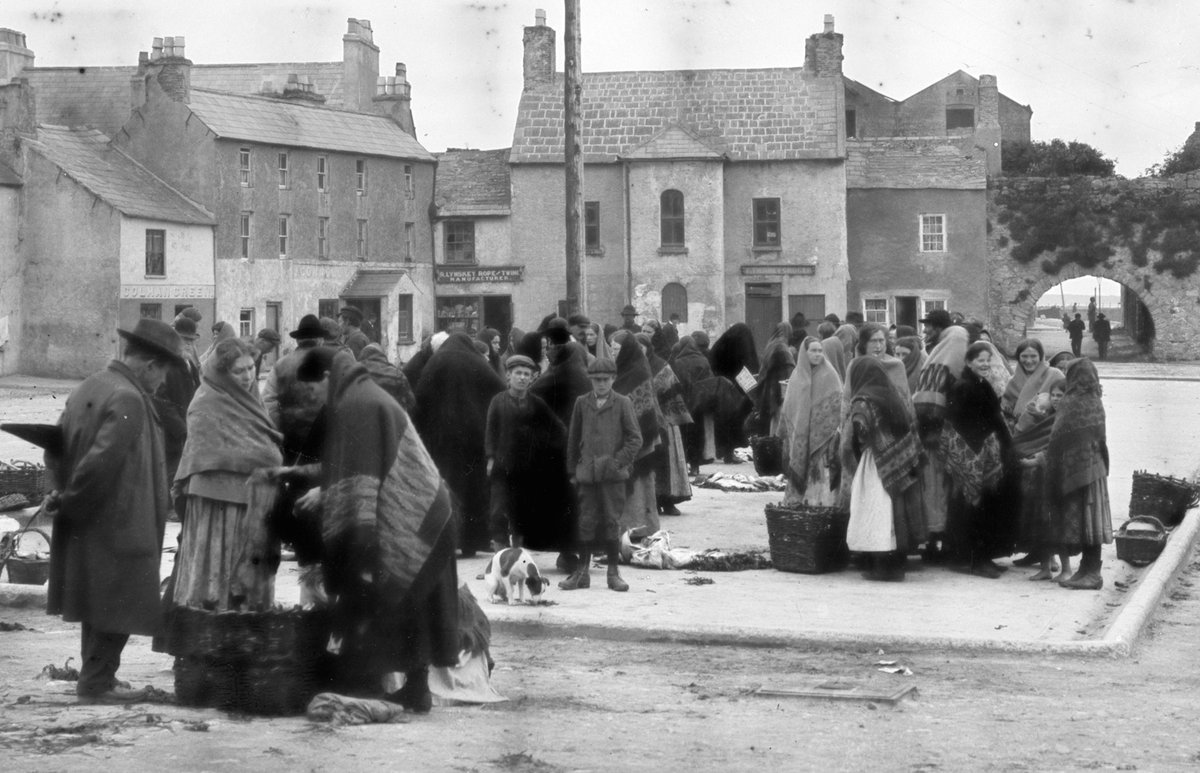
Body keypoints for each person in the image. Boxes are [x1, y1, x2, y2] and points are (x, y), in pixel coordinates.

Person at [281, 347, 460, 711]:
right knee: (413, 599)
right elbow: (356, 467)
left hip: (415, 515)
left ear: (329, 377)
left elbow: (361, 481)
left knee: (391, 593)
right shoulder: (357, 394)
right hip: (427, 513)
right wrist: (312, 481)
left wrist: (351, 545)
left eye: (313, 391)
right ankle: (414, 686)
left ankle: (389, 683)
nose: (312, 400)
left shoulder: (355, 404)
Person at [44, 318, 182, 703]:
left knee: (97, 600)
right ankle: (96, 683)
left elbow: (54, 446)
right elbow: (100, 462)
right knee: (118, 603)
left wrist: (61, 494)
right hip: (122, 524)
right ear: (151, 365)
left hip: (93, 522)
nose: (163, 382)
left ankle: (97, 677)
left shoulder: (92, 385)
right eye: (164, 372)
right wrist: (72, 499)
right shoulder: (129, 398)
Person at [169, 338, 283, 613]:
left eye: (250, 369)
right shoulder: (205, 403)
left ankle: (246, 638)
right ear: (222, 373)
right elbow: (205, 452)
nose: (246, 377)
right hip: (215, 504)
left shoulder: (253, 400)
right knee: (216, 577)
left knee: (246, 583)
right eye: (238, 371)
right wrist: (265, 459)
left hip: (252, 503)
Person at [413, 332, 506, 557]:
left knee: (447, 488)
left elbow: (420, 398)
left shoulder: (436, 361)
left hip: (442, 440)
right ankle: (472, 542)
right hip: (474, 439)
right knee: (474, 489)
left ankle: (447, 540)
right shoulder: (476, 361)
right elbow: (499, 389)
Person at [561, 357, 642, 592]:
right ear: (590, 380)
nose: (601, 384)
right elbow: (573, 438)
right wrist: (572, 470)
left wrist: (618, 463)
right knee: (585, 521)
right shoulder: (581, 403)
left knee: (611, 522)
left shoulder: (623, 403)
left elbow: (635, 439)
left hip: (612, 477)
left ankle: (613, 573)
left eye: (605, 379)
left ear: (614, 379)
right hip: (587, 475)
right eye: (596, 380)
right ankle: (581, 573)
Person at [840, 357, 923, 581]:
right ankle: (897, 565)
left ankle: (882, 567)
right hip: (899, 462)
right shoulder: (892, 394)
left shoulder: (862, 400)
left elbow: (860, 430)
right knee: (895, 515)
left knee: (876, 514)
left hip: (875, 463)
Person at [485, 354, 571, 552]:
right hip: (502, 466)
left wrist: (546, 451)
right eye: (518, 373)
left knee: (521, 513)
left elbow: (558, 429)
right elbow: (491, 431)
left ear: (532, 378)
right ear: (508, 376)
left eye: (526, 374)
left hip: (528, 468)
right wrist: (490, 458)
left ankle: (518, 555)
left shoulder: (537, 404)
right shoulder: (498, 401)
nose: (522, 378)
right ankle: (499, 557)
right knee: (498, 511)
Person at [943, 341, 1015, 578]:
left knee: (984, 508)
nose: (985, 365)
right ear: (969, 363)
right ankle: (974, 560)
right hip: (973, 455)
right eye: (980, 361)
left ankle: (981, 558)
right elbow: (960, 423)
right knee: (974, 509)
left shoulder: (982, 384)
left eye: (988, 360)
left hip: (984, 453)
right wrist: (981, 449)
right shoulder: (964, 386)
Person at [1046, 358, 1113, 590]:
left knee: (1088, 518)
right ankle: (1087, 568)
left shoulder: (1072, 401)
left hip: (1080, 471)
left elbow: (1059, 436)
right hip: (1094, 468)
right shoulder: (1095, 399)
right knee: (1091, 519)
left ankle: (1092, 573)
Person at [912, 323, 969, 552]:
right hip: (939, 441)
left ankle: (935, 544)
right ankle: (941, 543)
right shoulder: (953, 368)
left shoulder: (931, 363)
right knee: (942, 493)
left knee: (935, 493)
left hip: (930, 440)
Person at [1011, 373, 1071, 581]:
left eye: (1061, 395)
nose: (1056, 399)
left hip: (1056, 480)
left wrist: (1038, 460)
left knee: (1056, 525)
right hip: (1036, 480)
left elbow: (1061, 448)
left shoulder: (1067, 419)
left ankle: (1066, 569)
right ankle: (1045, 567)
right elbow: (1026, 437)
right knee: (1039, 523)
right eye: (1054, 394)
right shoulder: (1044, 418)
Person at [778, 337, 842, 508]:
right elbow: (789, 409)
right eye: (813, 351)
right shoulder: (796, 377)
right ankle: (802, 508)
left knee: (821, 482)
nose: (817, 354)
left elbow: (837, 406)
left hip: (823, 443)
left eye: (820, 351)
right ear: (804, 353)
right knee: (803, 479)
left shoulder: (830, 374)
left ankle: (820, 511)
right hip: (799, 439)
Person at [262, 314, 335, 465]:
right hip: (328, 438)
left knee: (294, 481)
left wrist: (281, 428)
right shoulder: (334, 361)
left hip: (292, 438)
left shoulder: (281, 364)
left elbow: (268, 401)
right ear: (320, 339)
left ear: (298, 340)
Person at [610, 330, 662, 538]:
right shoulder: (621, 371)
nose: (613, 353)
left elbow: (642, 408)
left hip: (640, 436)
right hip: (629, 437)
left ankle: (641, 528)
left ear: (626, 350)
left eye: (616, 349)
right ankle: (629, 528)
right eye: (611, 349)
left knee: (640, 484)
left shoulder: (638, 372)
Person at [636, 332, 693, 516]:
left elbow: (673, 390)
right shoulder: (631, 368)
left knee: (666, 462)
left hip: (664, 421)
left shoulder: (661, 366)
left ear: (648, 348)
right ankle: (651, 502)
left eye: (642, 348)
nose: (639, 351)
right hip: (640, 424)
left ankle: (669, 501)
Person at [157, 315, 203, 484]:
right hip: (172, 434)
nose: (189, 345)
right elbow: (160, 400)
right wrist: (181, 428)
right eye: (184, 340)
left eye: (192, 341)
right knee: (171, 475)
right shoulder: (166, 364)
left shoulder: (188, 363)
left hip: (188, 429)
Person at [708, 323, 759, 463]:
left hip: (719, 391)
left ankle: (722, 450)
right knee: (734, 422)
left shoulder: (719, 346)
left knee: (721, 422)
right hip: (735, 392)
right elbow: (748, 368)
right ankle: (729, 454)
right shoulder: (742, 347)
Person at [669, 335, 715, 474]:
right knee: (698, 433)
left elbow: (675, 383)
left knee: (684, 435)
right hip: (699, 404)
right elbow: (710, 380)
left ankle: (684, 465)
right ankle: (695, 466)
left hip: (683, 403)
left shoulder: (678, 362)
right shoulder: (704, 360)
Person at [1001, 339, 1064, 430]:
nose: (1029, 361)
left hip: (1047, 431)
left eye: (1033, 356)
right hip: (1018, 433)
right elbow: (1005, 412)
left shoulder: (1055, 375)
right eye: (1024, 356)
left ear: (1041, 356)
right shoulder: (1012, 381)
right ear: (1018, 358)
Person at [358, 343, 416, 414]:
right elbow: (411, 402)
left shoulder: (355, 373)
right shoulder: (397, 374)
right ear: (382, 355)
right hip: (392, 420)